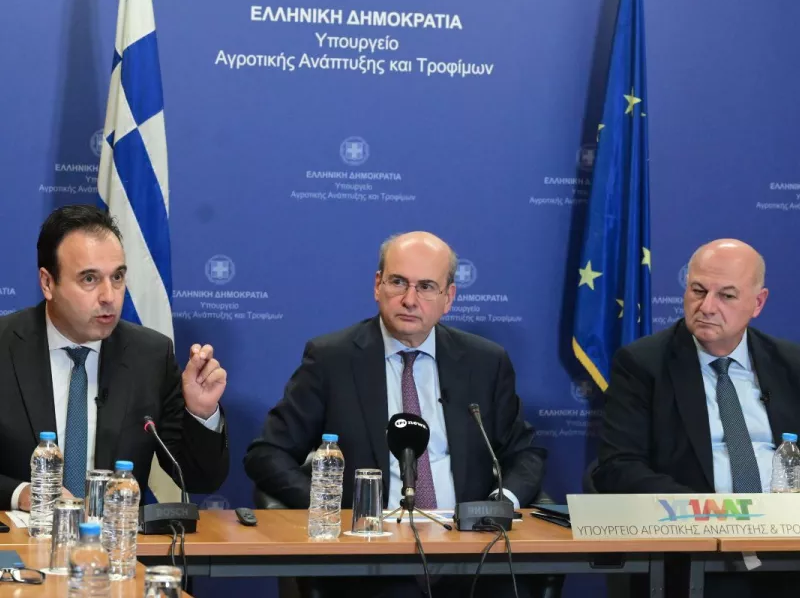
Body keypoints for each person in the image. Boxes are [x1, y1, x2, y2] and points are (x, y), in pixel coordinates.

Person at [245, 231, 546, 598]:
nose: (409, 299)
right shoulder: (332, 359)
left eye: (426, 287)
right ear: (378, 285)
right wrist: (333, 508)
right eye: (398, 282)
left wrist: (501, 503)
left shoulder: (485, 362)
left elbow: (525, 452)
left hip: (471, 551)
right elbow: (267, 453)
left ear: (448, 297)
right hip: (370, 557)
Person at [595, 238, 800, 596]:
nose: (707, 307)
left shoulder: (790, 363)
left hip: (787, 539)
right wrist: (714, 512)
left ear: (758, 303)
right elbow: (619, 466)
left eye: (727, 296)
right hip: (696, 549)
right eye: (698, 290)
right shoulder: (643, 364)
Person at [0, 205, 229, 511]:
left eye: (117, 277)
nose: (109, 296)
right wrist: (21, 494)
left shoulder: (150, 356)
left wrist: (200, 413)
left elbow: (200, 479)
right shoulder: (5, 346)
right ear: (47, 283)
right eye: (89, 279)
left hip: (116, 536)